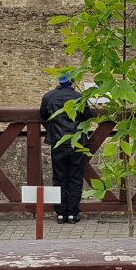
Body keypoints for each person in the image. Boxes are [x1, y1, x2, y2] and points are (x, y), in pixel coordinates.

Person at [40, 73, 91, 224]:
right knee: (75, 178)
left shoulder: (48, 97)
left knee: (59, 178)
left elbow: (43, 115)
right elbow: (87, 116)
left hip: (58, 141)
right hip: (76, 141)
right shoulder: (79, 97)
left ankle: (61, 213)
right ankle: (73, 214)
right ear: (73, 82)